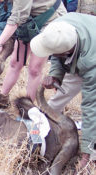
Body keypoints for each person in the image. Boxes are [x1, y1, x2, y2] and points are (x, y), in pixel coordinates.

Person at [30, 12, 96, 170]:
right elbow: (59, 56)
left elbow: (90, 107)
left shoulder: (90, 60)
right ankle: (38, 131)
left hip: (92, 59)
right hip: (82, 53)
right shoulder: (58, 28)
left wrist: (87, 152)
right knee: (55, 103)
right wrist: (55, 75)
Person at [0, 0, 66, 108]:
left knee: (34, 69)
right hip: (28, 20)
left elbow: (18, 17)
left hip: (50, 19)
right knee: (15, 62)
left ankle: (27, 107)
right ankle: (1, 99)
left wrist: (0, 43)